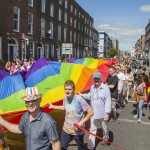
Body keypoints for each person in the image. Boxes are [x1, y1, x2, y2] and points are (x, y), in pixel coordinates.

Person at [49, 80, 93, 150]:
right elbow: (65, 107)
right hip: (66, 129)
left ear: (74, 90)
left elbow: (90, 112)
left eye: (69, 89)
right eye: (66, 89)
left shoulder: (79, 99)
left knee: (80, 148)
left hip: (78, 131)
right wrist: (53, 106)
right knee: (62, 147)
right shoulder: (65, 97)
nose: (67, 91)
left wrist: (81, 123)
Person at [79, 72, 111, 149]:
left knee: (104, 127)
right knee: (93, 129)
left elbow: (108, 101)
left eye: (97, 78)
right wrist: (82, 95)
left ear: (101, 79)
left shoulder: (105, 88)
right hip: (93, 113)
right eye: (95, 78)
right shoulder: (92, 87)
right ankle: (91, 146)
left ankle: (105, 138)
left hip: (102, 113)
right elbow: (90, 96)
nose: (96, 80)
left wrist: (107, 113)